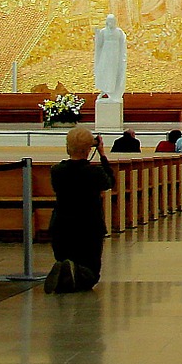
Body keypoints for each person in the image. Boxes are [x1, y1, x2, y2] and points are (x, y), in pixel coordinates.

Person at [45, 126, 115, 293]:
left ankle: (66, 269)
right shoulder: (94, 172)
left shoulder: (57, 171)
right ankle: (76, 274)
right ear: (89, 148)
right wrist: (102, 154)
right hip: (89, 226)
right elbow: (109, 182)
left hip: (61, 225)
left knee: (66, 257)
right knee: (92, 273)